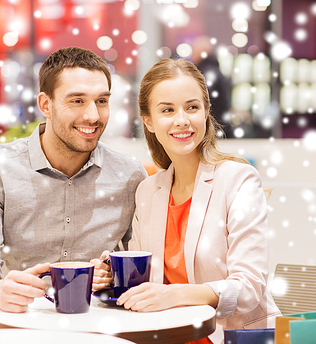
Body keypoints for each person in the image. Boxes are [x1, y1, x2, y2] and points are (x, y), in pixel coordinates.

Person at [0, 47, 147, 316]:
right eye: (77, 101)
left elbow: (139, 268)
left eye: (102, 101)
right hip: (20, 325)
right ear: (45, 105)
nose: (93, 116)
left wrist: (111, 278)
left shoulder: (130, 174)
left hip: (98, 327)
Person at [115, 59, 281, 343]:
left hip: (231, 337)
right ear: (148, 121)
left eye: (192, 107)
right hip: (166, 335)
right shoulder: (147, 192)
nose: (182, 120)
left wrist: (173, 294)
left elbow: (249, 288)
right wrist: (113, 273)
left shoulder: (239, 180)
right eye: (167, 110)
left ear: (205, 112)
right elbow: (145, 282)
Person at [191, 35, 233, 138]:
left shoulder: (205, 73)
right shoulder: (215, 70)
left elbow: (204, 101)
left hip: (212, 129)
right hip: (220, 127)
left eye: (194, 50)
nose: (192, 54)